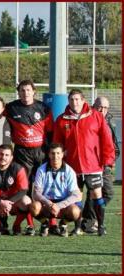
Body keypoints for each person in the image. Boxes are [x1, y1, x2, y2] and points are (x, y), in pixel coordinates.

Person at [53, 89, 115, 236]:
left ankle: (100, 226)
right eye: (72, 99)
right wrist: (59, 163)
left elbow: (106, 139)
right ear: (68, 101)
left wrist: (108, 159)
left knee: (97, 195)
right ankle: (78, 227)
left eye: (77, 99)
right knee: (76, 198)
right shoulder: (62, 119)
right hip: (72, 167)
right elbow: (57, 144)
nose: (75, 102)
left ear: (83, 100)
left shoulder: (96, 116)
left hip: (93, 165)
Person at [0, 145, 33, 235]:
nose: (3, 157)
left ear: (11, 157)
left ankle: (16, 225)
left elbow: (23, 190)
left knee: (26, 201)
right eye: (1, 154)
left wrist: (9, 202)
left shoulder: (19, 168)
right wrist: (0, 202)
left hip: (12, 201)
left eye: (7, 155)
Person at [30, 143, 82, 237]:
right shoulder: (41, 170)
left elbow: (76, 195)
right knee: (34, 207)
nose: (55, 156)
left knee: (75, 211)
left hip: (63, 203)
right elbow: (36, 193)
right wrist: (49, 203)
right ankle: (45, 224)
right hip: (46, 203)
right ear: (49, 154)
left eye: (58, 153)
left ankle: (63, 224)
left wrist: (59, 205)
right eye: (53, 153)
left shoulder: (69, 171)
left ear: (63, 154)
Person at [5, 80, 52, 179]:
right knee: (24, 182)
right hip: (22, 151)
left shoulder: (43, 108)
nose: (25, 93)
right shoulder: (11, 108)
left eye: (28, 90)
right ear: (18, 93)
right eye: (22, 90)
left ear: (34, 91)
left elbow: (50, 130)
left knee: (42, 181)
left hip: (41, 151)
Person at [88, 96, 119, 233]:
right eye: (100, 106)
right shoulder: (87, 120)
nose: (102, 110)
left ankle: (90, 218)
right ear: (93, 105)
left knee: (109, 193)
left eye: (105, 108)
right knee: (91, 193)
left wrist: (110, 161)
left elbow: (115, 148)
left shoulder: (108, 124)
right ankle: (89, 222)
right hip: (89, 165)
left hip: (104, 166)